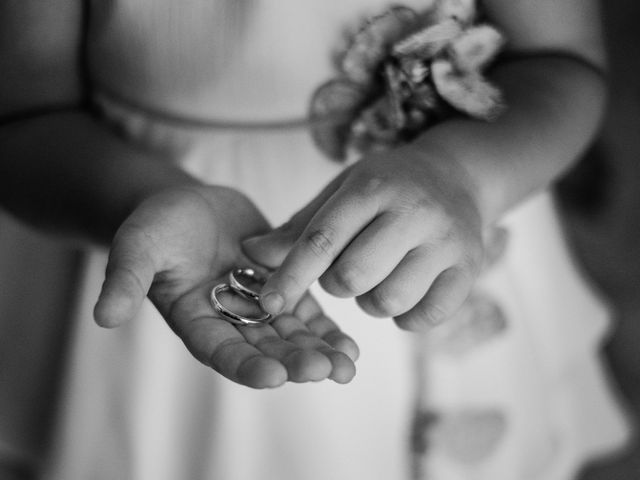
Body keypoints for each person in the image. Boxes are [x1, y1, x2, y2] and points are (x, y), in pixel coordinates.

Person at [0, 0, 630, 479]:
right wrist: (135, 200)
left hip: (450, 203)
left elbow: (565, 60)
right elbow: (24, 114)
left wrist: (463, 174)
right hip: (157, 242)